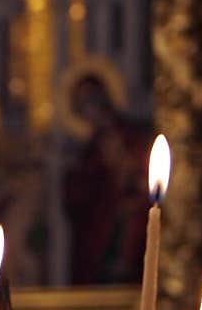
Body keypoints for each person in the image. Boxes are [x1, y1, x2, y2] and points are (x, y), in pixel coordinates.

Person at [62, 70, 150, 285]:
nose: (90, 109)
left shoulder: (130, 134)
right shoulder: (89, 151)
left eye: (92, 100)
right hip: (101, 230)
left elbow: (141, 175)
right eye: (82, 104)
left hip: (131, 218)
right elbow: (79, 196)